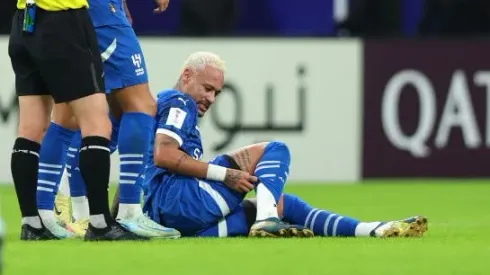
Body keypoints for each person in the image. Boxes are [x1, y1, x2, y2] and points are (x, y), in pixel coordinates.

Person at [139, 51, 429, 238]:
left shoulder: (157, 106)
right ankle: (265, 220)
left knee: (284, 204)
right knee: (274, 149)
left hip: (170, 216)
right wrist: (225, 174)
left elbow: (145, 163)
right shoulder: (180, 102)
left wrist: (128, 217)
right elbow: (164, 154)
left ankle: (374, 230)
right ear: (187, 76)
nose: (212, 99)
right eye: (207, 88)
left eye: (217, 92)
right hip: (182, 202)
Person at [34, 0, 180, 239]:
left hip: (63, 15)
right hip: (101, 13)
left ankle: (44, 216)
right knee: (140, 104)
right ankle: (130, 210)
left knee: (67, 115)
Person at [9, 0, 143, 241]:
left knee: (31, 128)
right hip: (63, 19)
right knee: (97, 123)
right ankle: (100, 223)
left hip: (24, 20)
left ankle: (31, 223)